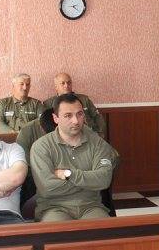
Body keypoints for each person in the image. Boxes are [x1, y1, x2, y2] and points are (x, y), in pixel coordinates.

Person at [30, 94, 120, 222]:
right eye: (68, 116)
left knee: (103, 231)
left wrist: (69, 175)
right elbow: (47, 188)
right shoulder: (41, 146)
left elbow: (104, 180)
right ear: (56, 118)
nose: (76, 121)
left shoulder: (98, 143)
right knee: (59, 232)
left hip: (91, 207)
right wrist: (89, 181)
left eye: (79, 114)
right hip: (54, 208)